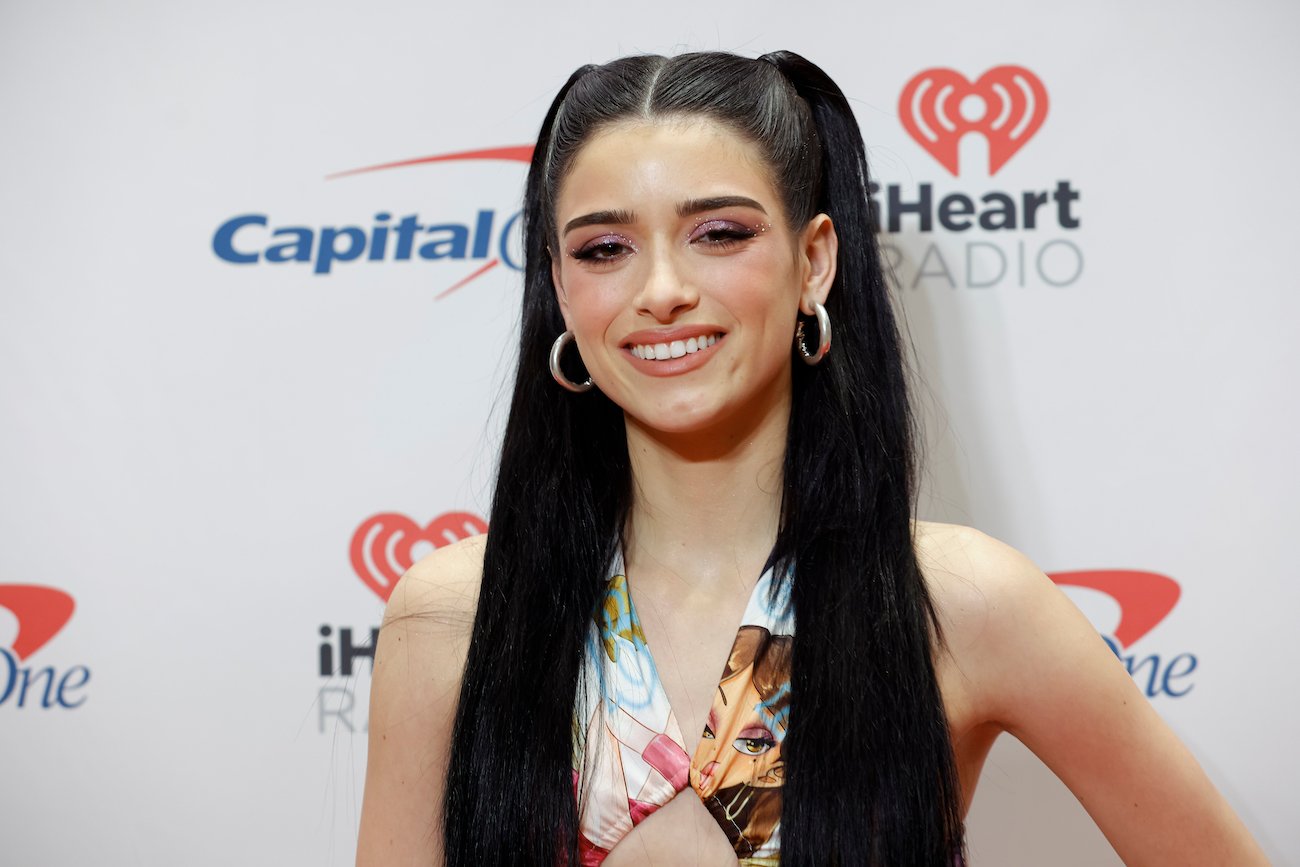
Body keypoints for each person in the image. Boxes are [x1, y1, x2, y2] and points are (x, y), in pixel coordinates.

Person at [356, 50, 1267, 866]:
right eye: (605, 248)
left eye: (719, 234)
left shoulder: (959, 602)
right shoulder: (458, 614)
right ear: (560, 287)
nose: (662, 290)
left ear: (816, 261)